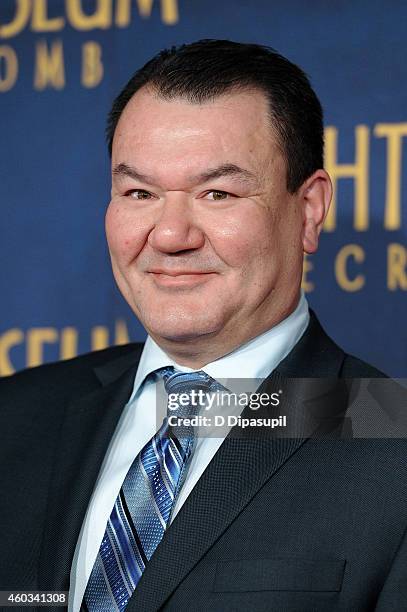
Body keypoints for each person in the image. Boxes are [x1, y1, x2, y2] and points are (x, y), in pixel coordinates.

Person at [0, 39, 406, 612]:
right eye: (140, 192)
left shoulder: (392, 440)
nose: (170, 235)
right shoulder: (15, 417)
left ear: (310, 209)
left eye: (217, 193)